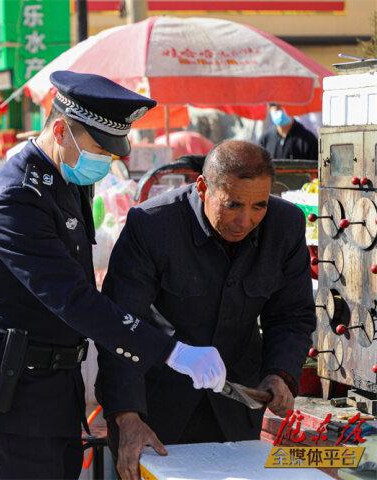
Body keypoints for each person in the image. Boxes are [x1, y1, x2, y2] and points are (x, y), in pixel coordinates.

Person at [0, 71, 227, 480]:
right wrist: (171, 351)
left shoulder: (64, 181)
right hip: (12, 400)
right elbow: (74, 299)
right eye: (100, 149)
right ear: (61, 131)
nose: (106, 161)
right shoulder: (16, 198)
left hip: (52, 392)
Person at [97, 140, 316, 479]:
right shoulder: (152, 225)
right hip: (154, 406)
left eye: (259, 205)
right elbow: (120, 326)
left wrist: (280, 372)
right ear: (202, 188)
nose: (245, 220)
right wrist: (126, 415)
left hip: (237, 407)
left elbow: (292, 314)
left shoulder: (285, 225)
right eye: (232, 204)